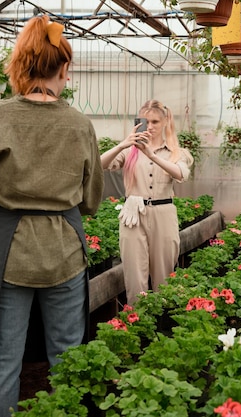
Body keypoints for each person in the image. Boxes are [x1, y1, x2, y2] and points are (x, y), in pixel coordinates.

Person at [0, 16, 104, 417]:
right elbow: (91, 200)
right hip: (64, 251)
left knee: (4, 363)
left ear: (21, 64)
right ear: (63, 67)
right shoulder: (79, 125)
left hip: (11, 251)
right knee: (67, 358)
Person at [101, 100, 193, 305]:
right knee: (134, 274)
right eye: (145, 121)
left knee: (164, 273)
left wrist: (152, 155)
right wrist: (124, 144)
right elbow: (101, 164)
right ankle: (137, 321)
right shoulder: (129, 151)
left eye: (155, 121)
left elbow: (181, 174)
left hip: (163, 213)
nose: (150, 126)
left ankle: (160, 321)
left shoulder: (176, 152)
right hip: (133, 215)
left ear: (165, 122)